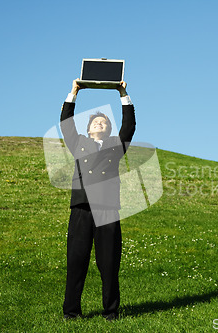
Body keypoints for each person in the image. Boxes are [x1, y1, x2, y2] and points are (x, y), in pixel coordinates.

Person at [60, 79, 136, 321]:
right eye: (95, 122)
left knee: (109, 263)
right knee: (76, 261)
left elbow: (129, 126)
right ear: (89, 128)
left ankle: (111, 312)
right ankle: (71, 313)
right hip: (81, 208)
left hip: (108, 209)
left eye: (103, 122)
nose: (99, 123)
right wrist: (74, 92)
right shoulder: (79, 143)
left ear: (108, 129)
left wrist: (123, 93)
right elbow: (66, 124)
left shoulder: (116, 145)